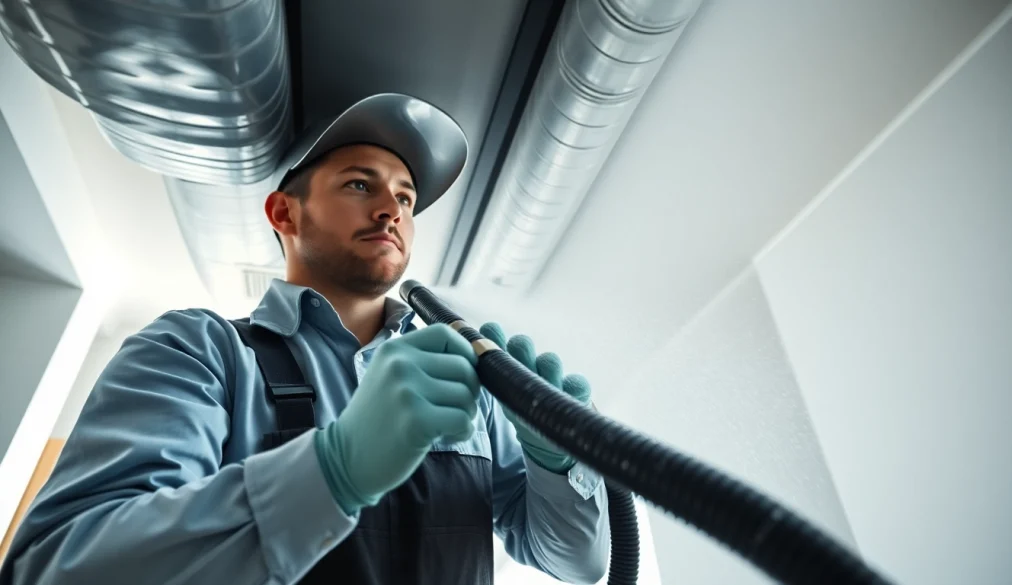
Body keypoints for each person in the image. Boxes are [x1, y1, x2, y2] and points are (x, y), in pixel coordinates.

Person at [0, 93, 609, 585]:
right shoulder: (199, 353)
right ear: (284, 214)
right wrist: (332, 472)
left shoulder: (470, 390)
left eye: (405, 196)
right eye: (359, 185)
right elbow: (55, 569)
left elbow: (577, 565)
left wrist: (557, 463)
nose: (391, 211)